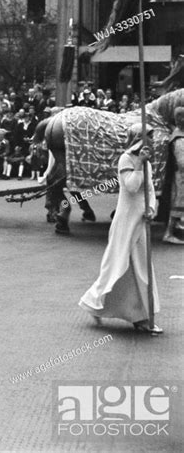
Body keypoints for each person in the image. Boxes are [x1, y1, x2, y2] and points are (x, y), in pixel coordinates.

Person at [79, 124, 162, 334]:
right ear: (139, 138)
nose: (152, 141)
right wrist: (139, 164)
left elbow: (150, 190)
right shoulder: (126, 159)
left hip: (141, 222)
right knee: (117, 265)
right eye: (149, 137)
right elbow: (132, 187)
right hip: (126, 222)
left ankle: (141, 316)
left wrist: (151, 208)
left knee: (141, 269)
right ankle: (95, 301)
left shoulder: (147, 162)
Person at [163, 106, 184, 244]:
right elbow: (182, 162)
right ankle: (169, 233)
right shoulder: (179, 138)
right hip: (180, 177)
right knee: (178, 203)